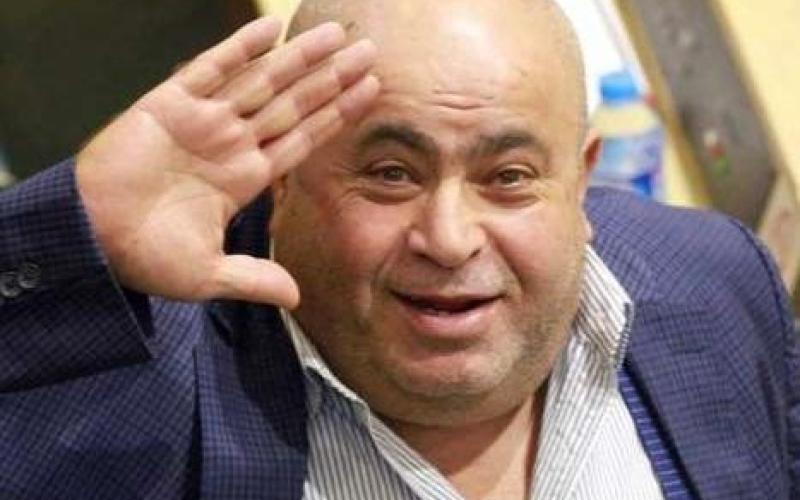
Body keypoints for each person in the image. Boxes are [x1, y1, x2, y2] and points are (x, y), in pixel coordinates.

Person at [1, 0, 797, 498]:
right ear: (283, 177)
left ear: (581, 181)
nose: (448, 239)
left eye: (509, 177)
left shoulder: (716, 281)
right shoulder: (127, 388)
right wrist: (61, 238)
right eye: (390, 174)